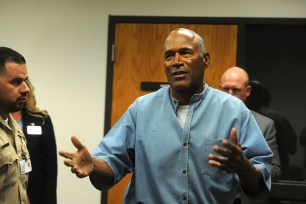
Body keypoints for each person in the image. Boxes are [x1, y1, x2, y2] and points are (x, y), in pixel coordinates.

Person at [59, 28, 272, 203]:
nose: (176, 61)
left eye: (185, 52)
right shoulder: (141, 110)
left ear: (205, 59)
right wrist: (93, 165)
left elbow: (260, 185)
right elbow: (111, 164)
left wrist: (244, 168)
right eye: (169, 55)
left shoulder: (234, 111)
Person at [220, 67, 281, 182]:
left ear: (247, 91)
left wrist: (247, 168)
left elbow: (275, 170)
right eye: (225, 89)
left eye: (236, 90)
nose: (229, 95)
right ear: (219, 89)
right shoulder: (208, 118)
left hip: (246, 195)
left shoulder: (265, 125)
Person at [11, 79, 58, 204]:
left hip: (35, 195)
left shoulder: (41, 120)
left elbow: (50, 171)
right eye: (15, 82)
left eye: (23, 83)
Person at [247, 80, 298, 180]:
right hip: (268, 176)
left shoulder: (275, 118)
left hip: (271, 175)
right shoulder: (278, 117)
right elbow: (292, 149)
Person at [0, 47, 31, 204]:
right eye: (16, 82)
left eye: (25, 81)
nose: (26, 89)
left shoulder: (13, 127)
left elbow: (18, 185)